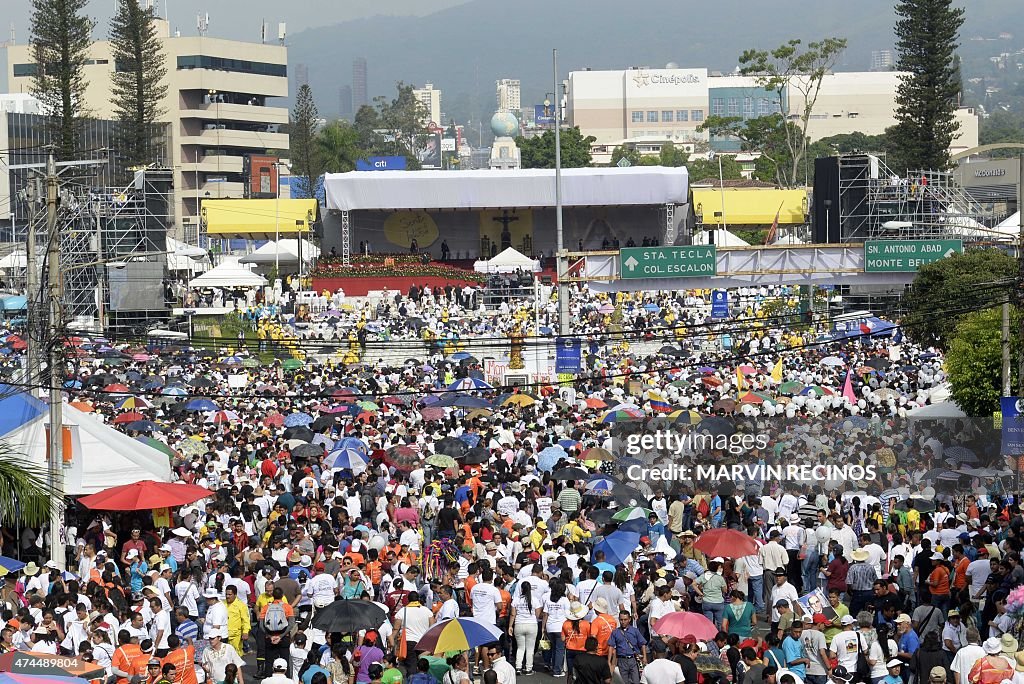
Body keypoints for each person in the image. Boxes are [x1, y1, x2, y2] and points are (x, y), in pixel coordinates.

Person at [609, 611, 647, 684]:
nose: (623, 622)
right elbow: (611, 646)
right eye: (621, 620)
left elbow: (643, 644)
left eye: (625, 619)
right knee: (624, 682)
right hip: (621, 660)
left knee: (636, 681)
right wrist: (609, 662)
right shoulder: (615, 632)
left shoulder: (635, 631)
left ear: (629, 619)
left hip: (634, 659)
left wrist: (644, 657)